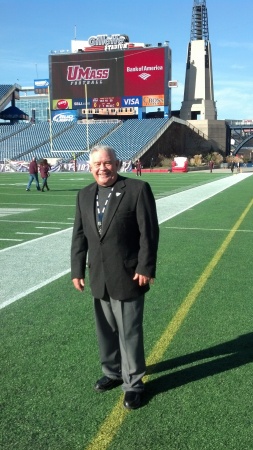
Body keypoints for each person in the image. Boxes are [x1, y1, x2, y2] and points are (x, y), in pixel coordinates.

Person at [71, 145, 159, 410]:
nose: (102, 168)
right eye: (97, 164)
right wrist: (77, 269)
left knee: (129, 332)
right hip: (98, 274)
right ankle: (112, 372)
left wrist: (145, 267)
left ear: (117, 163)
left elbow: (149, 233)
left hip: (128, 274)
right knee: (106, 330)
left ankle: (133, 384)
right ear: (90, 168)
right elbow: (79, 235)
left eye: (107, 163)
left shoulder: (137, 189)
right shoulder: (84, 194)